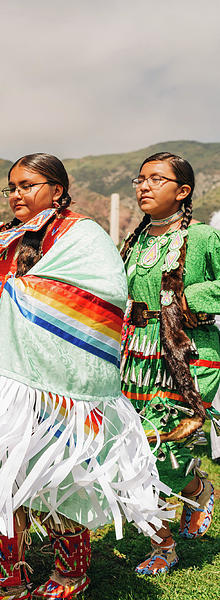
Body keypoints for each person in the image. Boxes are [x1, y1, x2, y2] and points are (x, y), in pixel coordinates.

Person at [0, 154, 168, 600]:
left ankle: (71, 574)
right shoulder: (9, 239)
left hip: (59, 386)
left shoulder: (83, 234)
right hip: (1, 381)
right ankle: (8, 581)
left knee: (58, 475)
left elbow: (105, 292)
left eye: (28, 184)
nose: (17, 193)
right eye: (11, 186)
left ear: (57, 188)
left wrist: (20, 292)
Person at [119, 152, 220, 575]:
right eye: (140, 179)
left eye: (156, 180)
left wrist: (185, 299)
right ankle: (197, 489)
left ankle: (163, 544)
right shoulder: (134, 241)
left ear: (182, 192)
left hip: (187, 351)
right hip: (135, 356)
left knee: (163, 445)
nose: (144, 186)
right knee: (133, 447)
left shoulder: (202, 239)